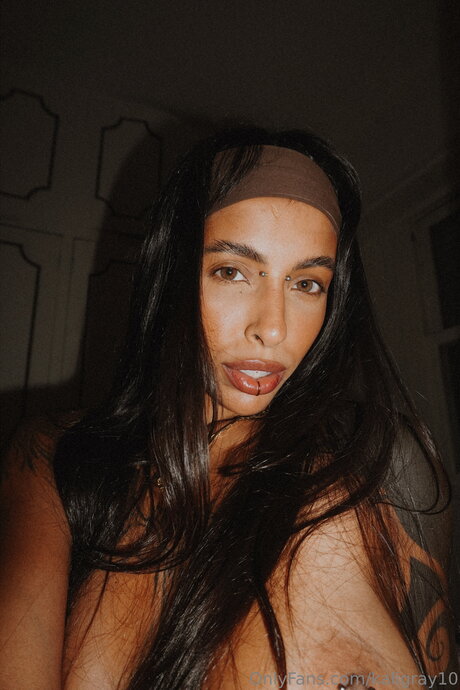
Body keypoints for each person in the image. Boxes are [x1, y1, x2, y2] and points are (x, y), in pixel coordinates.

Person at [0, 126, 457, 690]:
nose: (273, 328)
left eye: (307, 283)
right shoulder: (58, 458)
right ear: (172, 274)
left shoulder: (377, 459)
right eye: (232, 272)